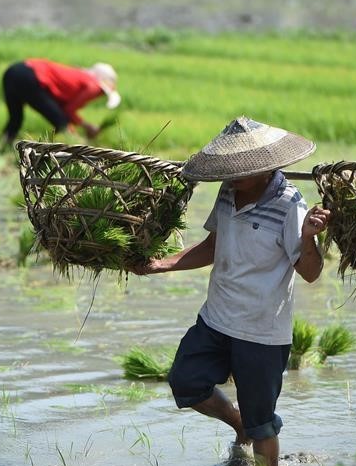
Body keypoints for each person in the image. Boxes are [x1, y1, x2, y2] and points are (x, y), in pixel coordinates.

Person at [131, 116, 330, 466]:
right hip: (216, 319)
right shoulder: (229, 191)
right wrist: (161, 264)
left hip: (261, 333)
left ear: (266, 168)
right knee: (185, 382)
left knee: (264, 425)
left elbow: (311, 272)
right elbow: (213, 245)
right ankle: (239, 425)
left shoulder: (289, 205)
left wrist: (308, 237)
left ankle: (253, 434)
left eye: (241, 169)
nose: (232, 175)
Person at [0, 59, 121, 145]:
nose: (99, 95)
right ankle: (75, 152)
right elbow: (67, 111)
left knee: (15, 118)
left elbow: (63, 108)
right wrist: (85, 131)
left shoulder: (81, 77)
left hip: (14, 71)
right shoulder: (93, 86)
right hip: (31, 76)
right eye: (103, 93)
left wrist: (85, 126)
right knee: (62, 124)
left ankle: (3, 147)